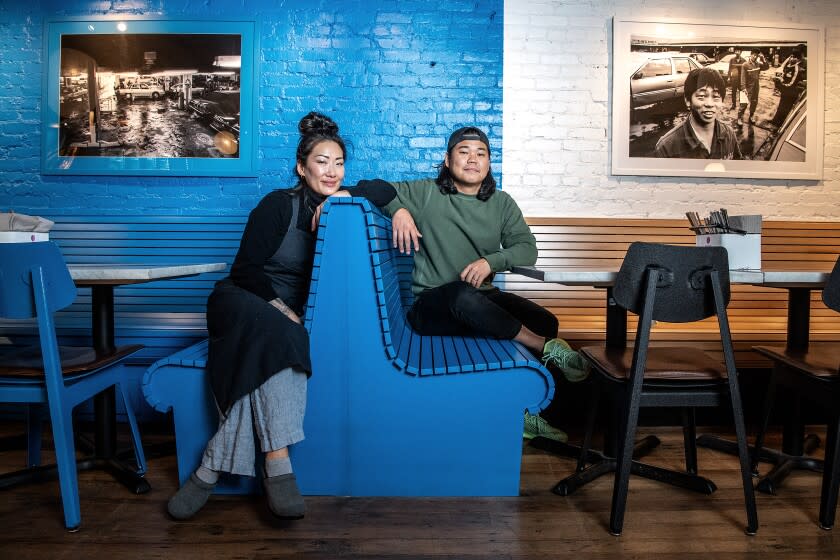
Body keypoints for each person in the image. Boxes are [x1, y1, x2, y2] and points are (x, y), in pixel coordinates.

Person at [166, 112, 395, 521]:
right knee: (287, 337)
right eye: (321, 161)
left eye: (338, 163)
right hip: (240, 301)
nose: (331, 170)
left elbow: (383, 188)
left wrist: (343, 196)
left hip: (270, 324)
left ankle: (209, 469)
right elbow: (245, 271)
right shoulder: (277, 204)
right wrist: (285, 310)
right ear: (301, 167)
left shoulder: (339, 208)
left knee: (273, 345)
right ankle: (278, 461)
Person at [381, 126, 589, 443]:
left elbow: (527, 248)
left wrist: (491, 261)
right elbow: (371, 187)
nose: (473, 159)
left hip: (481, 302)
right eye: (464, 152)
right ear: (448, 160)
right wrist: (399, 212)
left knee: (545, 320)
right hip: (431, 308)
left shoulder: (501, 203)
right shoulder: (426, 194)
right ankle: (545, 347)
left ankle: (529, 415)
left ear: (489, 163)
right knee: (463, 295)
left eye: (481, 154)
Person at [653, 67, 742, 160]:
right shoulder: (666, 147)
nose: (710, 104)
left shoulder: (729, 134)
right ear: (687, 100)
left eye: (716, 96)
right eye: (702, 96)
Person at [770, 49, 805, 127]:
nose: (792, 58)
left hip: (791, 92)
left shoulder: (796, 69)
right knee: (780, 106)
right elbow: (782, 72)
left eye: (794, 57)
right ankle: (775, 121)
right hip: (786, 91)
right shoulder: (789, 65)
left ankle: (779, 125)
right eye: (791, 56)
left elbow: (790, 84)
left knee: (785, 109)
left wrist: (781, 83)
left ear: (798, 59)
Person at [738, 50, 769, 125]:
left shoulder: (758, 64)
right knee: (744, 104)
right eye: (754, 55)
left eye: (756, 56)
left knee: (754, 102)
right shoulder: (745, 65)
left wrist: (763, 59)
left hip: (755, 87)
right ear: (751, 55)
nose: (755, 57)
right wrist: (743, 88)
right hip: (746, 87)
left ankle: (751, 116)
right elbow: (743, 77)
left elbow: (766, 67)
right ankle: (739, 118)